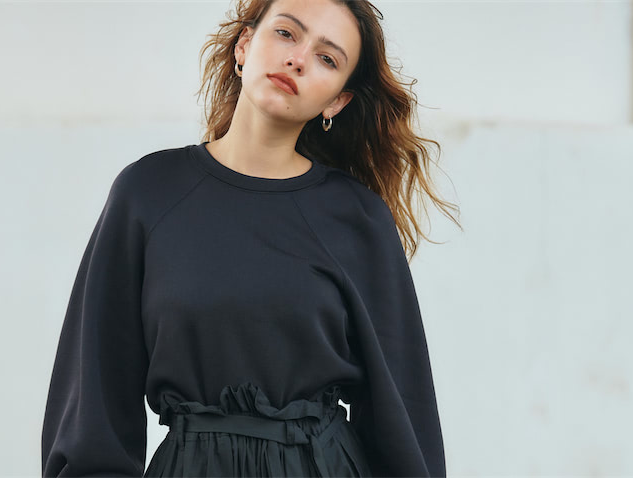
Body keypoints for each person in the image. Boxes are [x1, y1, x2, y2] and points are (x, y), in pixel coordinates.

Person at [41, 0, 461, 476]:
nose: (297, 59)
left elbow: (403, 413)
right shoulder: (148, 193)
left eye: (327, 58)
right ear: (244, 45)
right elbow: (95, 400)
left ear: (337, 101)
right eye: (286, 33)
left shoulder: (357, 217)